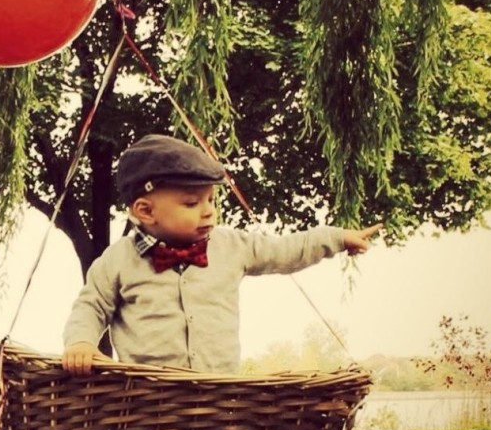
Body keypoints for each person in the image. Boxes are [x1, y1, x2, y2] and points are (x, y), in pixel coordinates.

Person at [62, 134, 382, 375]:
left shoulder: (232, 246)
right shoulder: (118, 260)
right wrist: (81, 343)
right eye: (191, 203)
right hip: (147, 398)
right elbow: (91, 305)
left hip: (220, 395)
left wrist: (336, 238)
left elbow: (284, 250)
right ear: (145, 211)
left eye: (211, 200)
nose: (208, 212)